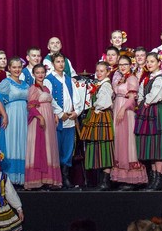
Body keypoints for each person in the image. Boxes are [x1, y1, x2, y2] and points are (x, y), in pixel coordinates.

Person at [44, 53, 83, 189]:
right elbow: (48, 98)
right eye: (58, 61)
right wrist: (60, 114)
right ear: (53, 64)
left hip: (70, 120)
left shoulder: (69, 79)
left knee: (68, 150)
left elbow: (76, 97)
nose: (60, 64)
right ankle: (55, 178)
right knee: (56, 149)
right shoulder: (48, 79)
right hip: (56, 120)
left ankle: (65, 177)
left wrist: (76, 112)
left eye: (62, 61)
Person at [110, 55, 148, 190]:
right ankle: (121, 177)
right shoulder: (120, 79)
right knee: (120, 141)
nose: (122, 67)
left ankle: (131, 178)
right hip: (118, 109)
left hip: (126, 111)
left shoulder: (132, 78)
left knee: (128, 142)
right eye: (120, 64)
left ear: (130, 65)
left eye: (125, 64)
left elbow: (132, 98)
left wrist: (122, 109)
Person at [24, 64, 62, 190]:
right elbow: (31, 106)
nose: (40, 75)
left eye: (42, 72)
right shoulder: (33, 88)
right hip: (38, 120)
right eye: (37, 72)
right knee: (39, 146)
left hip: (49, 120)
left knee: (48, 147)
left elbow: (50, 104)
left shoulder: (46, 88)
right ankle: (37, 179)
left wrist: (55, 114)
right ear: (33, 74)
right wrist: (40, 117)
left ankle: (48, 179)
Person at [135, 52, 162, 191]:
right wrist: (141, 102)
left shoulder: (160, 79)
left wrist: (145, 102)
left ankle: (159, 179)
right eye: (147, 62)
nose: (149, 64)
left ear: (159, 63)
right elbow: (140, 94)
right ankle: (153, 179)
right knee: (151, 147)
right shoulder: (147, 78)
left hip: (155, 111)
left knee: (157, 146)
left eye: (152, 61)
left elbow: (155, 96)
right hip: (147, 110)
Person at [79, 61, 115, 190]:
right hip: (97, 115)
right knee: (98, 146)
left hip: (101, 116)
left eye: (102, 71)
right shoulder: (99, 84)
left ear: (107, 72)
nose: (99, 73)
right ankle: (101, 180)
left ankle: (105, 181)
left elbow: (104, 102)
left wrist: (95, 106)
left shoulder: (106, 85)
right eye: (97, 71)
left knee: (104, 145)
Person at [0, 57, 31, 185]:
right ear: (9, 68)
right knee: (11, 143)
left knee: (23, 143)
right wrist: (4, 115)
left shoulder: (25, 84)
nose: (17, 69)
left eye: (19, 67)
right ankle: (10, 178)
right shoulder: (6, 82)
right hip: (11, 115)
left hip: (23, 116)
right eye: (14, 67)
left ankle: (22, 178)